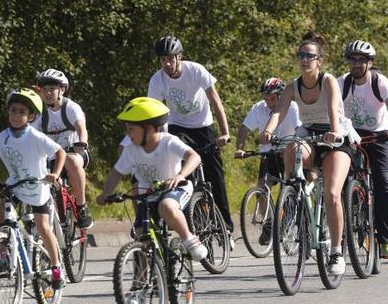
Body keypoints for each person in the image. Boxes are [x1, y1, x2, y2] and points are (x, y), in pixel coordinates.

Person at [259, 31, 360, 276]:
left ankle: (336, 251)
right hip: (310, 134)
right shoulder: (294, 85)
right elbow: (279, 112)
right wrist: (268, 131)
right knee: (292, 146)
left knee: (333, 194)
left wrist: (334, 133)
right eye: (301, 55)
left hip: (335, 137)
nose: (304, 59)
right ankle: (294, 192)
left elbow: (334, 108)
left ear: (319, 61)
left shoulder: (327, 81)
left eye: (310, 56)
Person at [0, 88, 66, 290]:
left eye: (21, 112)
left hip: (38, 188)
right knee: (2, 213)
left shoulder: (36, 137)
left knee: (44, 228)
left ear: (31, 116)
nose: (16, 116)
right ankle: (1, 250)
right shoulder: (2, 137)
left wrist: (55, 173)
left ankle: (56, 268)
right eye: (13, 111)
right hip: (16, 186)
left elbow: (60, 152)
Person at [96, 97, 208, 261]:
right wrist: (106, 193)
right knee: (141, 235)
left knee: (166, 207)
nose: (127, 133)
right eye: (126, 128)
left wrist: (180, 176)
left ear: (148, 128)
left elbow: (194, 156)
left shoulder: (168, 142)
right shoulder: (131, 149)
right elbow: (117, 173)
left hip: (175, 188)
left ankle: (189, 239)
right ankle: (142, 280)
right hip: (149, 194)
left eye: (131, 128)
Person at [149, 35, 234, 233]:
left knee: (215, 176)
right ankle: (181, 216)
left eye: (171, 58)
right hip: (177, 127)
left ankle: (226, 227)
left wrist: (225, 132)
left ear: (179, 57)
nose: (167, 63)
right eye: (163, 59)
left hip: (203, 128)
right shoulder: (157, 80)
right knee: (175, 171)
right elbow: (154, 113)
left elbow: (215, 101)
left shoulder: (195, 70)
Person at [337, 40, 388, 259]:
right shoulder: (342, 83)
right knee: (338, 179)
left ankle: (387, 241)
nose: (356, 64)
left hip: (380, 135)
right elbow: (328, 104)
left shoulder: (379, 81)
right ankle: (342, 230)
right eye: (352, 59)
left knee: (383, 183)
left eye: (361, 60)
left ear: (370, 62)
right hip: (351, 134)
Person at [235, 77, 300, 245]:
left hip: (289, 151)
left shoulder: (293, 108)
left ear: (281, 95)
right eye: (266, 98)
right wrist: (240, 148)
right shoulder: (259, 108)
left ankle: (289, 219)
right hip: (269, 153)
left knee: (290, 187)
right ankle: (269, 224)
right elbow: (244, 129)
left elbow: (301, 128)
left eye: (272, 98)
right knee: (262, 187)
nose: (268, 102)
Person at [31, 69, 93, 229]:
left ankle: (81, 206)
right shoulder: (40, 114)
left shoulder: (71, 107)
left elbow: (81, 128)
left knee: (71, 160)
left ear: (62, 89)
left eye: (52, 89)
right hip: (52, 158)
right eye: (45, 90)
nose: (48, 93)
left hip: (75, 152)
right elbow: (31, 135)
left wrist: (82, 143)